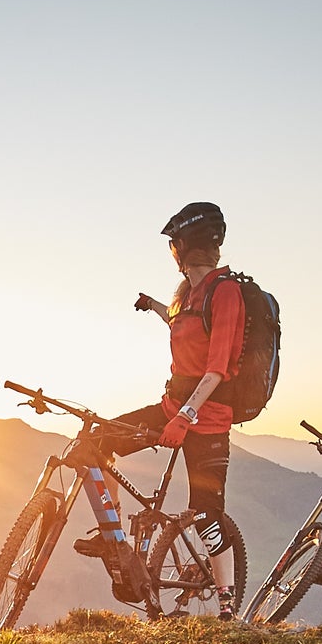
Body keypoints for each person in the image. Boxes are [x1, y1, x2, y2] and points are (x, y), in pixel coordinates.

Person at [74, 201, 247, 614]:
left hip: (207, 421)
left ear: (183, 246)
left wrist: (185, 418)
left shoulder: (227, 293)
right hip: (171, 406)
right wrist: (153, 305)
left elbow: (218, 367)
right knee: (96, 444)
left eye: (174, 243)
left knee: (207, 514)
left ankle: (226, 607)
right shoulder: (190, 294)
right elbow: (183, 328)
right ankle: (113, 538)